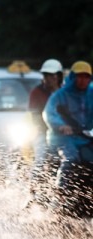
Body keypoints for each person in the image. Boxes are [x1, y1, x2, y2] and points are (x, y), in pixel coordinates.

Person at [43, 60, 93, 208]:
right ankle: (60, 192)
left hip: (85, 137)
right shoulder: (60, 95)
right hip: (62, 138)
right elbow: (49, 113)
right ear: (72, 77)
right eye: (79, 76)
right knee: (70, 158)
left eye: (86, 76)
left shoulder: (91, 94)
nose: (82, 80)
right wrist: (61, 126)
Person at [25, 58, 63, 206]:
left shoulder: (64, 92)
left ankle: (60, 196)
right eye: (47, 75)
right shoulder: (36, 92)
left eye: (53, 75)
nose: (49, 78)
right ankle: (32, 194)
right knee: (41, 160)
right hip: (42, 132)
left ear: (59, 76)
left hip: (62, 134)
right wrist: (50, 127)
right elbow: (35, 116)